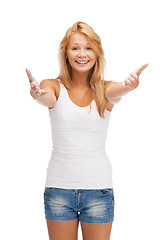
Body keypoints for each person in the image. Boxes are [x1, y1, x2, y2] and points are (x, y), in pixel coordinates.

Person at [26, 21, 148, 240]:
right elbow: (46, 97)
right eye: (75, 48)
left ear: (97, 53)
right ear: (65, 53)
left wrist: (129, 86)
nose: (82, 54)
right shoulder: (53, 85)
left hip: (98, 190)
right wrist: (36, 94)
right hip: (58, 190)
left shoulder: (105, 89)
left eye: (88, 47)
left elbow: (118, 90)